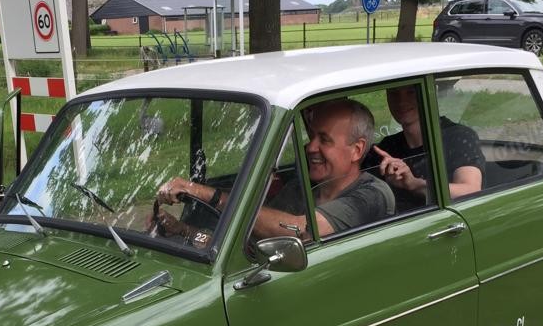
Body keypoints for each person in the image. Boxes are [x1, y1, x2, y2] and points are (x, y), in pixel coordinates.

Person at [154, 98, 394, 242]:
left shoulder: (373, 195)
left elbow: (300, 231)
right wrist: (183, 230)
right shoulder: (300, 190)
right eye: (311, 136)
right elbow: (252, 236)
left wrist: (203, 192)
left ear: (356, 150)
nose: (311, 147)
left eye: (324, 139)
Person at [369, 85, 484, 209]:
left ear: (429, 94)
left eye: (411, 92)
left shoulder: (459, 136)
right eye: (393, 93)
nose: (401, 101)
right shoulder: (388, 146)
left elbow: (471, 190)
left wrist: (416, 184)